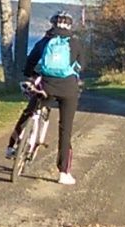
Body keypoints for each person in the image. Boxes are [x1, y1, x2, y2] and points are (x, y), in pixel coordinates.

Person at [7, 10, 82, 185]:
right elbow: (81, 65)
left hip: (46, 86)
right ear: (70, 25)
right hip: (68, 89)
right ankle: (64, 173)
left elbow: (30, 61)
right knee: (65, 129)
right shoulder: (76, 43)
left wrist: (31, 75)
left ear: (53, 24)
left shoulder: (45, 41)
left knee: (30, 110)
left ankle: (11, 146)